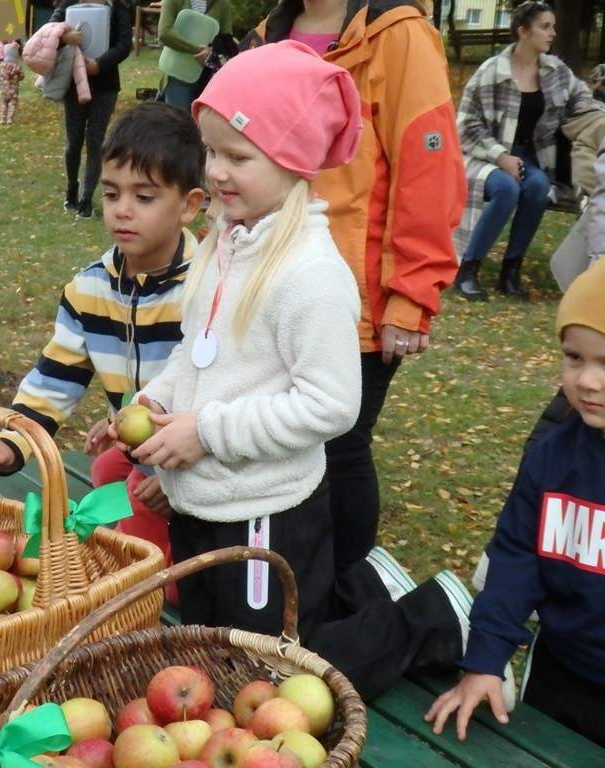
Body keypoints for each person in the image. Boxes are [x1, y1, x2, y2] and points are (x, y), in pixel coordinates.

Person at [117, 41, 473, 701]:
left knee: (276, 673)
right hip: (201, 497)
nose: (216, 172)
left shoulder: (308, 274)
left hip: (263, 509)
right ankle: (364, 587)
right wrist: (158, 398)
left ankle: (434, 617)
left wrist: (209, 432)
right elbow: (198, 352)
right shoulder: (226, 241)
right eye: (211, 150)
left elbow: (332, 405)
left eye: (238, 156)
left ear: (293, 161)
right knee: (212, 655)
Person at [241, 0, 466, 574]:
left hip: (354, 298)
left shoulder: (398, 34)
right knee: (285, 446)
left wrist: (411, 294)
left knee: (340, 447)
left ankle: (344, 586)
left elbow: (428, 168)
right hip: (271, 282)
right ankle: (295, 583)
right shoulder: (271, 33)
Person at [0, 103, 205, 590]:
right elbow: (53, 381)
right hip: (143, 452)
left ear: (188, 205)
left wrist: (178, 477)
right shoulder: (91, 290)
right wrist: (15, 442)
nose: (122, 210)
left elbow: (229, 393)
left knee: (147, 563)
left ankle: (154, 593)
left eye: (144, 197)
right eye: (111, 193)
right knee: (106, 466)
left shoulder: (210, 289)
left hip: (204, 457)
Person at [426, 259, 605, 747]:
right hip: (561, 673)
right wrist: (485, 658)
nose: (588, 380)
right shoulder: (552, 455)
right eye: (575, 357)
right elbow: (516, 558)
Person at [454, 1, 601, 301]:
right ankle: (468, 268)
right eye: (545, 27)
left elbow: (583, 100)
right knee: (507, 189)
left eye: (553, 27)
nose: (552, 33)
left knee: (536, 187)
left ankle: (511, 271)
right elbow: (466, 126)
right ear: (523, 31)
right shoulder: (491, 72)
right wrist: (500, 156)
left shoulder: (555, 70)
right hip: (483, 155)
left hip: (532, 157)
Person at [51, 0, 133, 219]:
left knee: (96, 140)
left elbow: (124, 45)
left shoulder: (119, 7)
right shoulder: (69, 4)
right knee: (73, 141)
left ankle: (86, 198)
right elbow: (50, 30)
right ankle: (71, 188)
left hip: (105, 86)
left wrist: (100, 64)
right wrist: (64, 38)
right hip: (73, 83)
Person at [156, 0, 233, 111]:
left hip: (208, 78)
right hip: (178, 76)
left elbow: (227, 42)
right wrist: (198, 50)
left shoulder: (223, 4)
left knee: (203, 125)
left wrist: (212, 53)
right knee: (179, 123)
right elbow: (165, 33)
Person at [0, 41, 24, 126]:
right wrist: (17, 77)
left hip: (3, 90)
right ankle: (9, 119)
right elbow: (22, 77)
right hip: (13, 90)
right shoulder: (17, 66)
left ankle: (2, 119)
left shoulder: (1, 65)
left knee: (3, 103)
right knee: (12, 103)